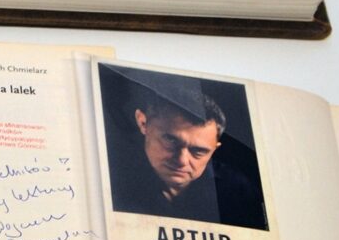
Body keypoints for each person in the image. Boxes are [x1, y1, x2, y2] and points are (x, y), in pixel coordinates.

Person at [108, 90, 265, 228]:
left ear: (214, 149)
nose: (182, 161)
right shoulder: (110, 176)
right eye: (171, 140)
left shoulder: (240, 192)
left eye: (199, 151)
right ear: (143, 123)